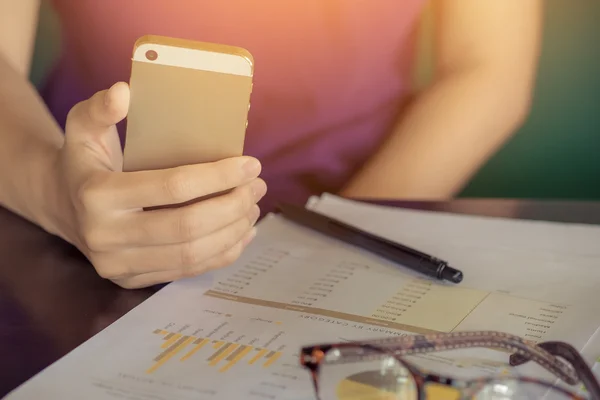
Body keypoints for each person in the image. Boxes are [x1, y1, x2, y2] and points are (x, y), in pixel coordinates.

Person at [0, 1, 542, 289]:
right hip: (80, 218)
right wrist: (60, 195)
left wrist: (345, 231)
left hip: (358, 216)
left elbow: (487, 69)